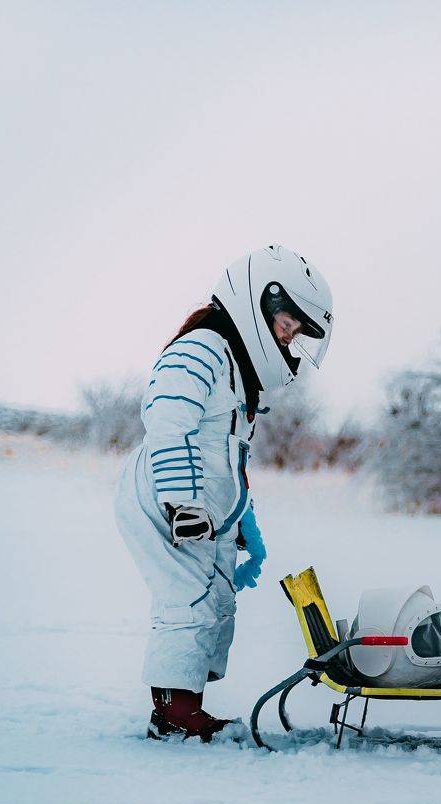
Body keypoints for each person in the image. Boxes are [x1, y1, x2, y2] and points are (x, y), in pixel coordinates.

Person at [114, 245, 334, 741]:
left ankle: (187, 703)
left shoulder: (237, 372)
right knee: (187, 599)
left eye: (296, 333)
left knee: (216, 597)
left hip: (204, 505)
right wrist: (181, 503)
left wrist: (243, 521)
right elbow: (168, 418)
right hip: (166, 497)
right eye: (288, 325)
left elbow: (225, 459)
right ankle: (173, 712)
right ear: (261, 300)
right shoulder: (203, 346)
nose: (288, 338)